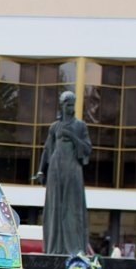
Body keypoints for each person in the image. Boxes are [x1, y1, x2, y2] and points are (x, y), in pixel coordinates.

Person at [34, 90, 93, 256]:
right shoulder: (54, 127)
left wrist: (72, 137)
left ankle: (74, 248)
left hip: (72, 169)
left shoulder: (80, 126)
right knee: (55, 208)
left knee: (72, 208)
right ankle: (55, 247)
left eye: (73, 105)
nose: (70, 108)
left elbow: (87, 148)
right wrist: (40, 170)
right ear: (62, 106)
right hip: (55, 169)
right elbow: (47, 150)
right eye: (68, 105)